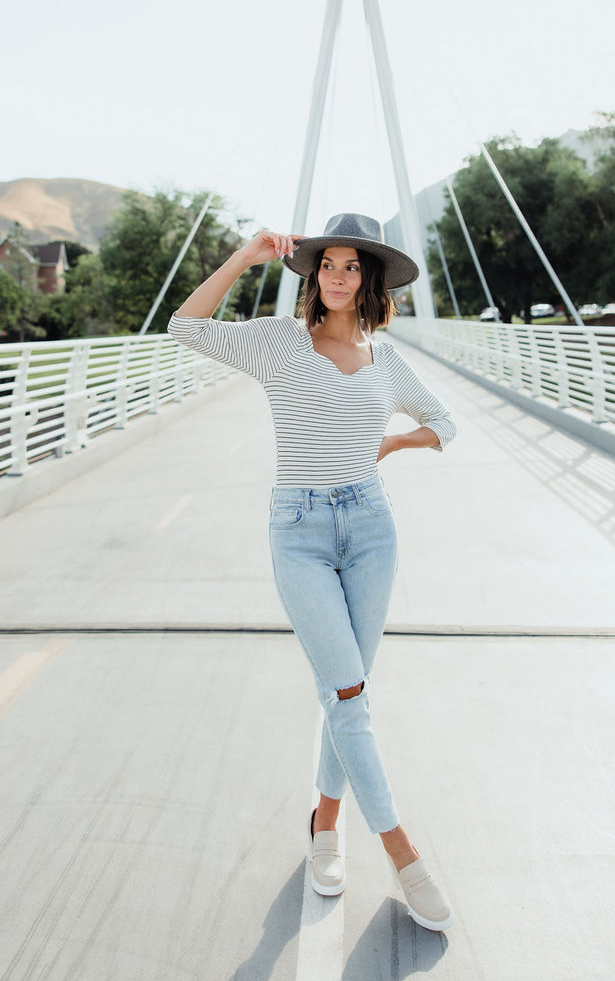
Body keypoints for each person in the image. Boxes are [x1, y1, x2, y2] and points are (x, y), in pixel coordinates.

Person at [168, 213, 456, 931]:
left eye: (352, 265)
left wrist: (391, 443)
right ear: (312, 274)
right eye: (327, 263)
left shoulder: (386, 361)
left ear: (369, 279)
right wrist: (244, 254)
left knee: (347, 693)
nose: (337, 275)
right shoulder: (276, 344)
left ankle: (324, 826)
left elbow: (444, 423)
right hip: (297, 533)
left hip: (370, 530)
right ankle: (400, 850)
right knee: (349, 693)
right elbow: (185, 325)